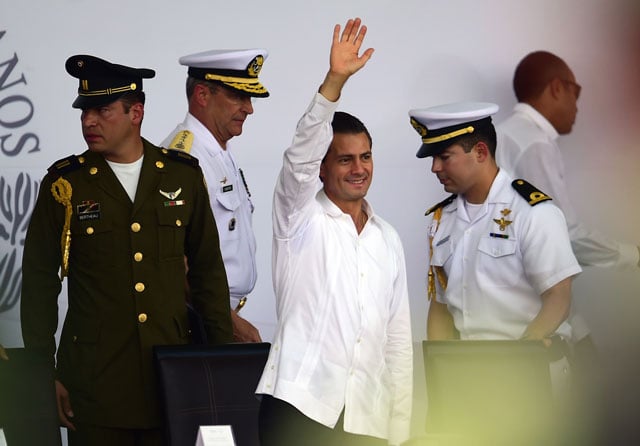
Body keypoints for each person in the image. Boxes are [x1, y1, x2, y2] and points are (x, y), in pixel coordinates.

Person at [21, 54, 232, 445]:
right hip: (94, 386)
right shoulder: (66, 185)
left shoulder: (181, 176)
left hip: (170, 379)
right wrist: (43, 374)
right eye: (84, 111)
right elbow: (37, 284)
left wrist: (220, 364)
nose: (88, 121)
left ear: (136, 112)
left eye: (102, 110)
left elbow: (208, 275)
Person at [256, 18, 413, 446]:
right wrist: (334, 82)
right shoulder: (297, 217)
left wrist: (399, 430)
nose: (359, 168)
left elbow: (397, 343)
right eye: (345, 159)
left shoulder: (388, 239)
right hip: (298, 411)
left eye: (365, 157)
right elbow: (299, 159)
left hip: (367, 421)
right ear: (323, 168)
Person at [410, 100, 582, 385]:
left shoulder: (532, 212)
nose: (435, 168)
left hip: (530, 371)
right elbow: (440, 307)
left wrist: (522, 354)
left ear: (480, 152)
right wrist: (442, 376)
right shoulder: (442, 220)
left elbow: (559, 295)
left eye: (444, 156)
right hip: (469, 376)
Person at [496, 51, 640, 271]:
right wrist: (634, 255)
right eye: (576, 93)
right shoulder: (534, 144)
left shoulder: (503, 133)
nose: (577, 106)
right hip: (524, 297)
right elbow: (563, 235)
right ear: (556, 88)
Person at [162, 48, 269, 343]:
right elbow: (174, 260)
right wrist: (227, 321)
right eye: (238, 96)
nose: (249, 108)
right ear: (202, 95)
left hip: (217, 316)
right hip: (197, 321)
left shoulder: (218, 151)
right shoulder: (183, 157)